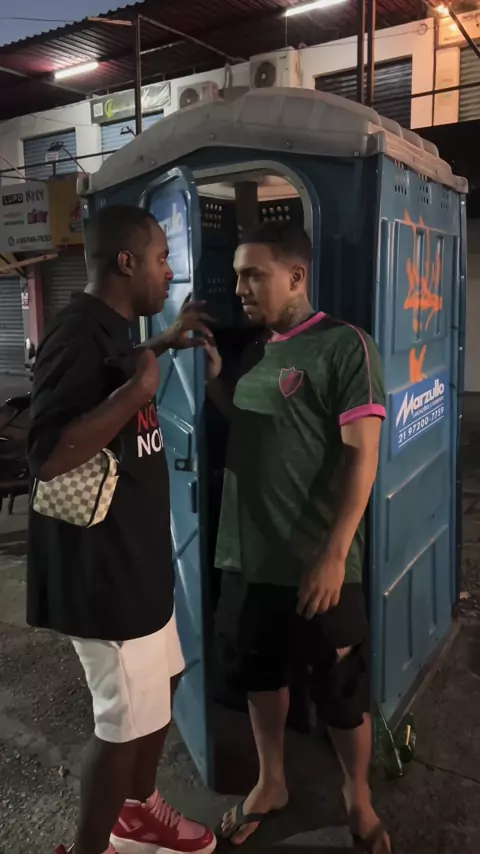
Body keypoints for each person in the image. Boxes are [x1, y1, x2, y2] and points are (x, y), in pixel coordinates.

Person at [27, 205, 217, 854]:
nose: (170, 271)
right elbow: (46, 454)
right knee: (122, 723)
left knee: (164, 684)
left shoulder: (113, 329)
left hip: (137, 564)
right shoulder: (75, 331)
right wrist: (135, 396)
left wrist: (162, 345)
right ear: (126, 262)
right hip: (102, 575)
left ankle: (136, 811)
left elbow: (115, 368)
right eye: (162, 258)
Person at [206, 221, 391, 854]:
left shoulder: (345, 346)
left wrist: (335, 553)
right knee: (261, 677)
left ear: (295, 276)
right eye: (237, 276)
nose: (240, 289)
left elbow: (362, 454)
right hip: (248, 556)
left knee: (341, 692)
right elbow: (253, 424)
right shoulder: (256, 351)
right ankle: (271, 782)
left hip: (317, 560)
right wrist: (215, 382)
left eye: (253, 275)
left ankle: (358, 799)